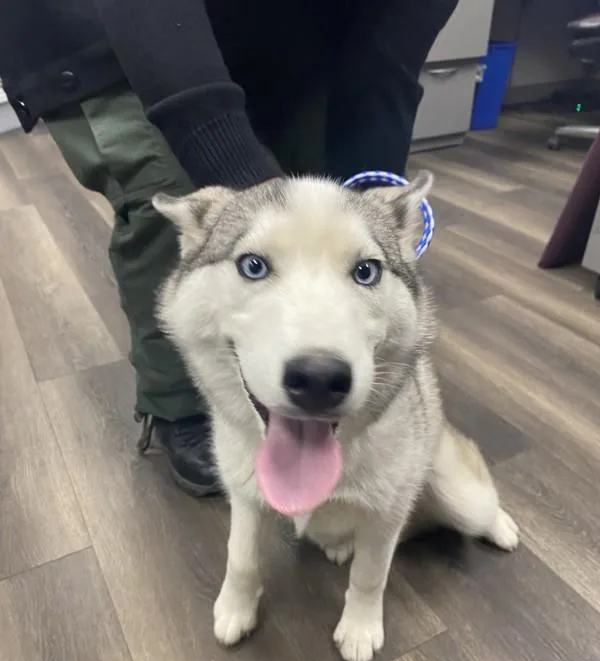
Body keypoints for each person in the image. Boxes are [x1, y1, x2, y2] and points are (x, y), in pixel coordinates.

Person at [0, 0, 458, 496]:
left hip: (293, 38)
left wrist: (366, 200)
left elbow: (391, 48)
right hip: (107, 36)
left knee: (318, 208)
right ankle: (177, 406)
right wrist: (245, 184)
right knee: (170, 204)